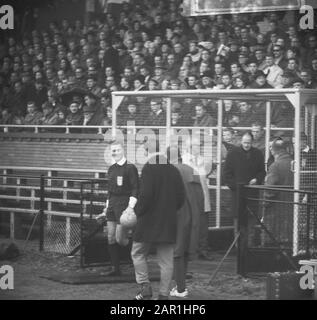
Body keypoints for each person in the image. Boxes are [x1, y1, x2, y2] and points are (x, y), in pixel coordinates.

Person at [131, 138, 185, 300]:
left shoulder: (149, 168)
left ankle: (145, 286)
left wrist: (137, 211)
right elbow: (181, 197)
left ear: (147, 151)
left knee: (137, 252)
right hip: (168, 221)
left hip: (148, 221)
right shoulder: (173, 170)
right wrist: (168, 211)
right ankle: (163, 294)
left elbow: (146, 195)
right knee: (166, 260)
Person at [166, 146, 204, 298]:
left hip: (179, 214)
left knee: (177, 251)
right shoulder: (191, 169)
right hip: (194, 213)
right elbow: (200, 196)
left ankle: (181, 288)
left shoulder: (170, 171)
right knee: (186, 249)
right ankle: (180, 286)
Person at [99, 140, 139, 276]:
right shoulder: (111, 168)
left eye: (116, 150)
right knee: (110, 237)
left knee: (120, 239)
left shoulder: (130, 168)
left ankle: (138, 260)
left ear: (123, 151)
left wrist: (130, 207)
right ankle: (115, 269)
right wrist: (106, 207)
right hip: (112, 204)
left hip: (124, 204)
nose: (114, 152)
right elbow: (109, 191)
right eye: (112, 150)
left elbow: (135, 189)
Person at [223, 131, 266, 239]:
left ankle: (249, 247)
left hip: (252, 194)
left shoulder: (258, 153)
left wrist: (257, 179)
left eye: (249, 143)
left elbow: (262, 171)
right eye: (244, 142)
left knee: (251, 220)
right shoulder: (233, 153)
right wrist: (236, 186)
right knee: (238, 221)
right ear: (241, 141)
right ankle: (239, 249)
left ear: (252, 142)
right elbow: (227, 174)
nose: (246, 145)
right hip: (238, 194)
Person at [263, 139, 294, 244]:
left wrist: (265, 203)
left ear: (273, 151)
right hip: (292, 206)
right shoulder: (293, 163)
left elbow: (269, 190)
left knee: (274, 238)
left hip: (277, 208)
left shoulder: (275, 166)